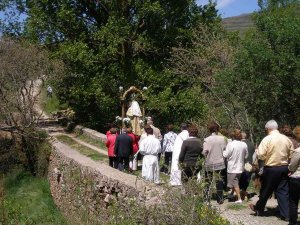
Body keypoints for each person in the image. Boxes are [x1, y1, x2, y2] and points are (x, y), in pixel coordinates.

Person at [249, 120, 293, 221]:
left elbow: (261, 155)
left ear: (268, 129)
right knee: (283, 191)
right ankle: (286, 214)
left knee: (266, 190)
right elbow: (291, 154)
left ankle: (259, 209)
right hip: (284, 167)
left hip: (271, 168)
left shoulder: (267, 139)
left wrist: (257, 151)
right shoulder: (286, 139)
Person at [202, 122, 227, 204]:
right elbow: (225, 149)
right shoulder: (223, 139)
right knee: (219, 180)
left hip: (209, 162)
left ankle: (206, 197)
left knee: (208, 180)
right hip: (220, 162)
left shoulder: (207, 139)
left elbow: (204, 152)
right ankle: (220, 198)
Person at [223, 129, 248, 203]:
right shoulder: (244, 144)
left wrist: (223, 150)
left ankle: (239, 198)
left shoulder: (230, 144)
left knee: (235, 182)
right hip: (240, 167)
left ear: (233, 136)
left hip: (232, 167)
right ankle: (232, 194)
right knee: (236, 181)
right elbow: (246, 156)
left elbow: (226, 154)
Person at [288, 126, 300, 225]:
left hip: (297, 178)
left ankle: (293, 222)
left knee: (293, 201)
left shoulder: (298, 151)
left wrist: (290, 170)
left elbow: (292, 166)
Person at [239, 131, 255, 200]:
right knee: (247, 179)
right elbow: (254, 155)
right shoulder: (251, 144)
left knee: (239, 178)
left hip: (240, 163)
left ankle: (240, 194)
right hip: (249, 163)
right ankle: (244, 192)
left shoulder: (239, 143)